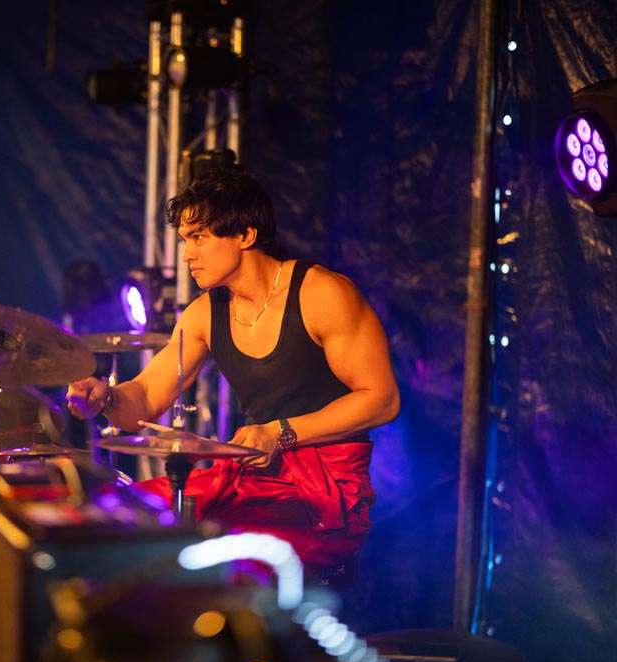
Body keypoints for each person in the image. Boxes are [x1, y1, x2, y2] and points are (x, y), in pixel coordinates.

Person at [66, 168, 400, 568]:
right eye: (185, 240)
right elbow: (147, 396)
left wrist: (279, 432)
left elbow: (381, 399)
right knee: (121, 513)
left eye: (199, 237)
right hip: (251, 475)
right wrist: (106, 399)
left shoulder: (322, 293)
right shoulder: (204, 314)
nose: (187, 255)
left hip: (321, 490)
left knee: (224, 557)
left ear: (245, 235)